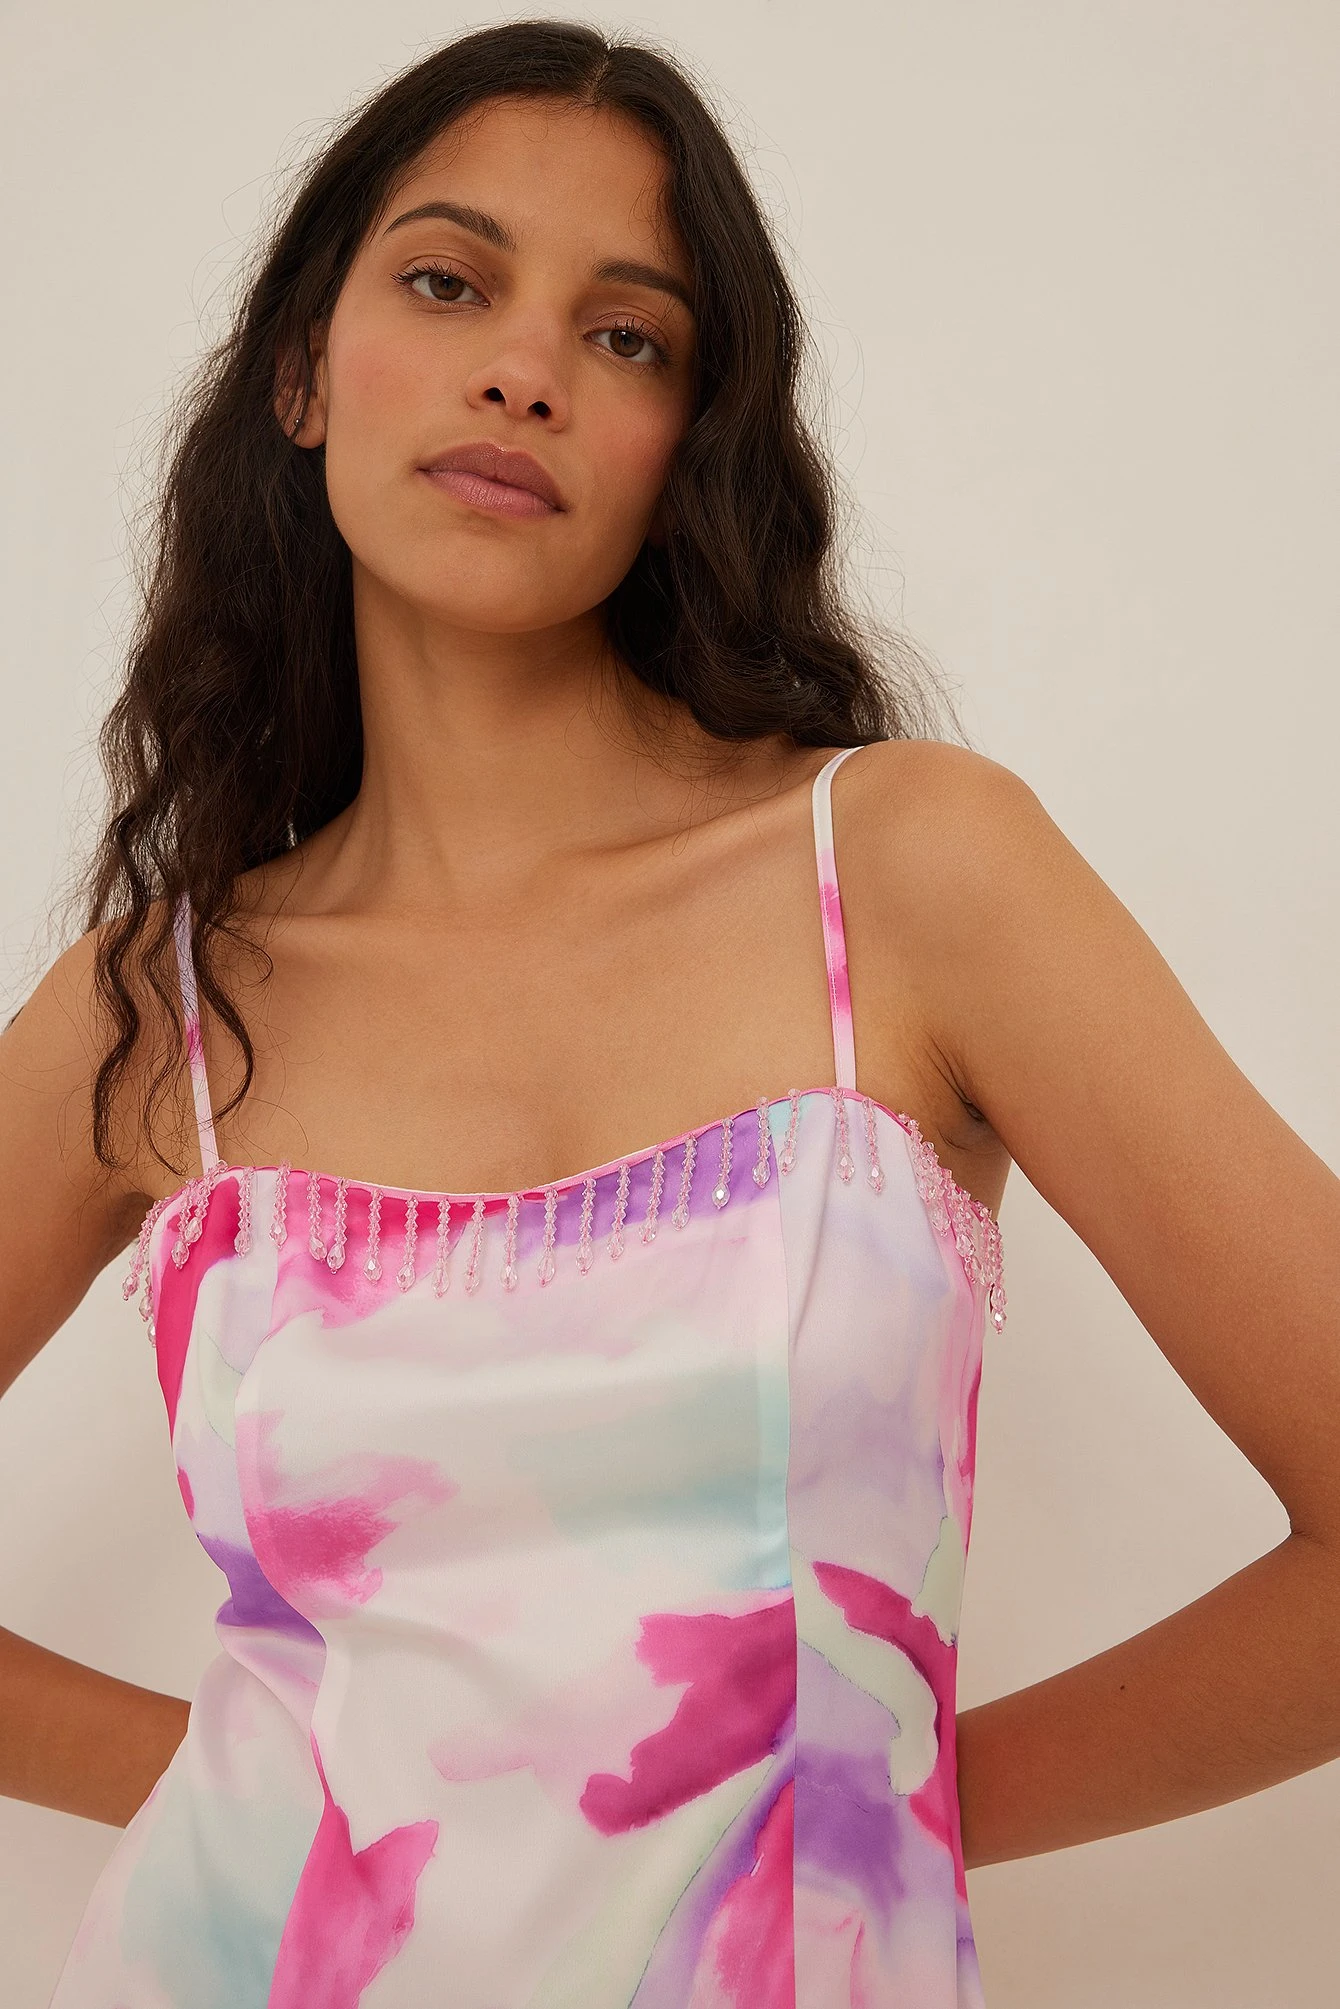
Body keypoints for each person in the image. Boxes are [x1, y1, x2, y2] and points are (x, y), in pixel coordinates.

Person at [2, 19, 1337, 2009]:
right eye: (446, 282)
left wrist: (876, 1799)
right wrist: (287, 1795)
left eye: (625, 336)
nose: (523, 367)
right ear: (300, 371)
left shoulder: (906, 872)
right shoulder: (161, 1012)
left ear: (688, 441)